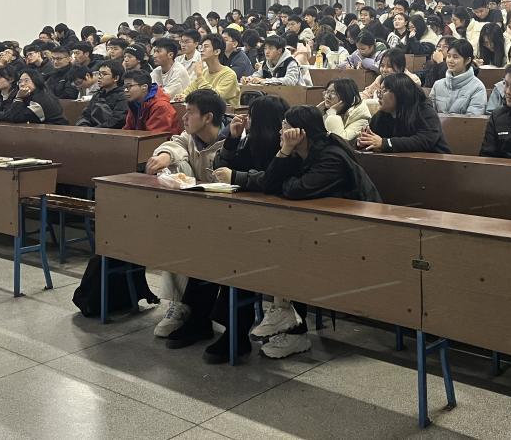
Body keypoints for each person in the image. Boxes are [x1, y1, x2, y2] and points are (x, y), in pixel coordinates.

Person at [168, 95, 291, 364]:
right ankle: (198, 319)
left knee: (238, 261)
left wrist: (238, 177)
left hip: (277, 227)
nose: (248, 122)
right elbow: (222, 167)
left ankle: (236, 333)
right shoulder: (250, 142)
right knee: (208, 251)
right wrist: (233, 140)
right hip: (244, 219)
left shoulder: (286, 147)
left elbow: (274, 180)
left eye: (253, 118)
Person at [255, 105, 383, 359]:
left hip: (360, 234)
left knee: (290, 247)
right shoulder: (300, 153)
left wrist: (285, 176)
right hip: (327, 229)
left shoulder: (331, 157)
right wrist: (284, 152)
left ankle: (291, 325)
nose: (280, 131)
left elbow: (295, 190)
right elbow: (270, 184)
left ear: (301, 132)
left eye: (285, 126)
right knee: (278, 240)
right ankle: (288, 320)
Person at [146, 89, 227, 342]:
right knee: (177, 236)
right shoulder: (190, 137)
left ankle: (191, 307)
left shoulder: (231, 141)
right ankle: (179, 304)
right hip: (194, 213)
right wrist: (164, 155)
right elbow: (176, 143)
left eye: (190, 112)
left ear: (208, 117)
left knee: (196, 242)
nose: (184, 117)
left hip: (225, 216)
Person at [358, 74, 451, 153]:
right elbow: (374, 140)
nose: (379, 95)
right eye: (379, 91)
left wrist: (386, 143)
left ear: (400, 94)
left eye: (384, 91)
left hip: (434, 163)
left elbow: (426, 139)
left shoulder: (424, 110)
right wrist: (363, 143)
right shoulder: (381, 115)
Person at [176, 34, 240, 106]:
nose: (201, 50)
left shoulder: (229, 74)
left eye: (206, 47)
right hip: (204, 110)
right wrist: (183, 96)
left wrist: (199, 75)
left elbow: (214, 98)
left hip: (224, 112)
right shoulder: (204, 72)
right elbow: (189, 91)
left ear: (217, 52)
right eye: (201, 47)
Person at [429, 39, 487, 116]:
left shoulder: (477, 88)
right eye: (449, 56)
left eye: (455, 57)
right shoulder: (438, 85)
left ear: (467, 60)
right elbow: (429, 114)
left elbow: (473, 119)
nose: (450, 60)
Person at [0, 69, 67, 124]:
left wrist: (19, 98)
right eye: (20, 81)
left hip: (56, 132)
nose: (22, 84)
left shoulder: (41, 98)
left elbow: (15, 117)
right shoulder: (27, 95)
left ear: (36, 81)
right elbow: (8, 112)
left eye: (26, 81)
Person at [76, 60, 128, 128]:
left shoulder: (123, 96)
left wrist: (94, 130)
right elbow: (85, 115)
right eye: (99, 73)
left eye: (104, 74)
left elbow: (117, 120)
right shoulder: (97, 95)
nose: (99, 77)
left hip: (109, 133)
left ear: (116, 78)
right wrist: (83, 126)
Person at [319, 78, 370, 144]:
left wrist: (332, 113)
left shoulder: (361, 116)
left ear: (346, 96)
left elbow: (341, 141)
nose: (327, 96)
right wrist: (317, 113)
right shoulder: (325, 111)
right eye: (327, 91)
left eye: (333, 92)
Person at [245, 35, 310, 86]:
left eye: (270, 48)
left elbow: (290, 81)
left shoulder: (290, 62)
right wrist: (249, 79)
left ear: (279, 51)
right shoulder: (266, 63)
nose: (267, 52)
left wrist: (265, 81)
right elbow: (257, 75)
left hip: (296, 95)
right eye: (265, 48)